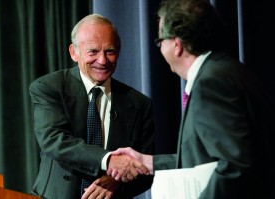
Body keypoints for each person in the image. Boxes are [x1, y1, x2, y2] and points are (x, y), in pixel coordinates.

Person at [107, 0, 275, 198]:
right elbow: (205, 159)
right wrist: (147, 162)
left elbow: (235, 166)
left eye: (160, 41)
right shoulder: (228, 71)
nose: (160, 48)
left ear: (177, 45)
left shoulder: (211, 83)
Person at [29, 14, 155, 199]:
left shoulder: (139, 104)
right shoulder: (49, 88)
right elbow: (54, 141)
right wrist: (109, 161)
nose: (103, 60)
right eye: (93, 51)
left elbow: (145, 171)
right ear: (74, 53)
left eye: (109, 51)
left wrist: (117, 182)